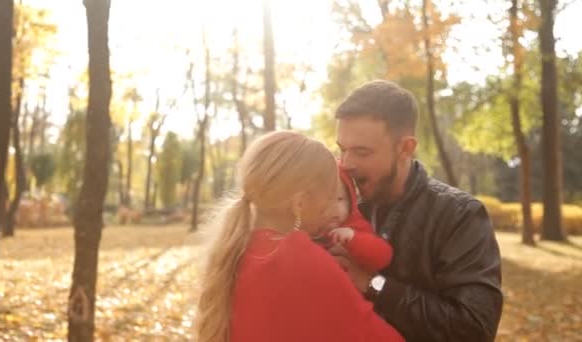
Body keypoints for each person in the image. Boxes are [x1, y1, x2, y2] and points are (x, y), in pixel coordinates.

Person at [332, 80, 503, 342]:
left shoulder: (461, 215)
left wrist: (373, 284)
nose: (347, 164)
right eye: (342, 149)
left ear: (406, 148)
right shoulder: (335, 209)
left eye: (361, 151)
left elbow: (474, 329)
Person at [195, 131, 403, 342]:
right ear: (300, 203)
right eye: (331, 196)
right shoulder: (299, 255)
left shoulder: (237, 247)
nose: (332, 209)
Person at [321, 162, 393, 273]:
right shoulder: (303, 228)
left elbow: (384, 256)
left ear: (351, 200)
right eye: (324, 200)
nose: (333, 207)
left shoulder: (355, 226)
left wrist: (354, 239)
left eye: (340, 199)